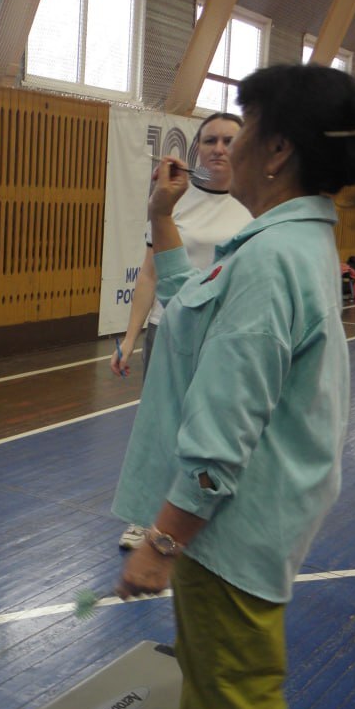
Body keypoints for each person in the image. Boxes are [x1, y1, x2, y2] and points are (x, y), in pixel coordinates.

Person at [111, 63, 355, 709]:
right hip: (238, 519)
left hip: (232, 522)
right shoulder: (283, 246)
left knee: (242, 698)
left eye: (247, 124)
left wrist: (162, 541)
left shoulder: (271, 261)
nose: (232, 140)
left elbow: (224, 432)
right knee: (211, 668)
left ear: (278, 150)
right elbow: (190, 308)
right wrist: (162, 220)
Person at [112, 113, 251, 550]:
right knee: (159, 425)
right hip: (169, 332)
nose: (219, 148)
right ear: (197, 149)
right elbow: (150, 274)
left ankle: (203, 517)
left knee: (215, 429)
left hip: (225, 338)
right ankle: (144, 517)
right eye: (210, 140)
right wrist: (130, 338)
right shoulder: (173, 202)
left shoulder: (256, 207)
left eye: (229, 140)